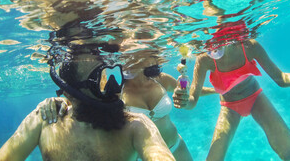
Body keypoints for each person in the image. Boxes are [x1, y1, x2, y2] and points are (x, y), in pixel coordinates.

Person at [0, 52, 176, 161]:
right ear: (69, 93)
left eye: (112, 75)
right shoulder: (45, 119)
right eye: (99, 81)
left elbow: (157, 154)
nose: (113, 90)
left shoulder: (137, 126)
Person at [39, 50, 217, 160]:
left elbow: (187, 92)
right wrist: (55, 101)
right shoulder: (115, 88)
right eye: (127, 55)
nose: (130, 60)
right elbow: (81, 99)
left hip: (176, 145)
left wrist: (217, 91)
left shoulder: (160, 79)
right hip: (142, 155)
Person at [173, 38, 290, 161]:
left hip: (255, 97)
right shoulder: (204, 59)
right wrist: (184, 101)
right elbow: (192, 101)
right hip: (229, 107)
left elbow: (282, 79)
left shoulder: (249, 46)